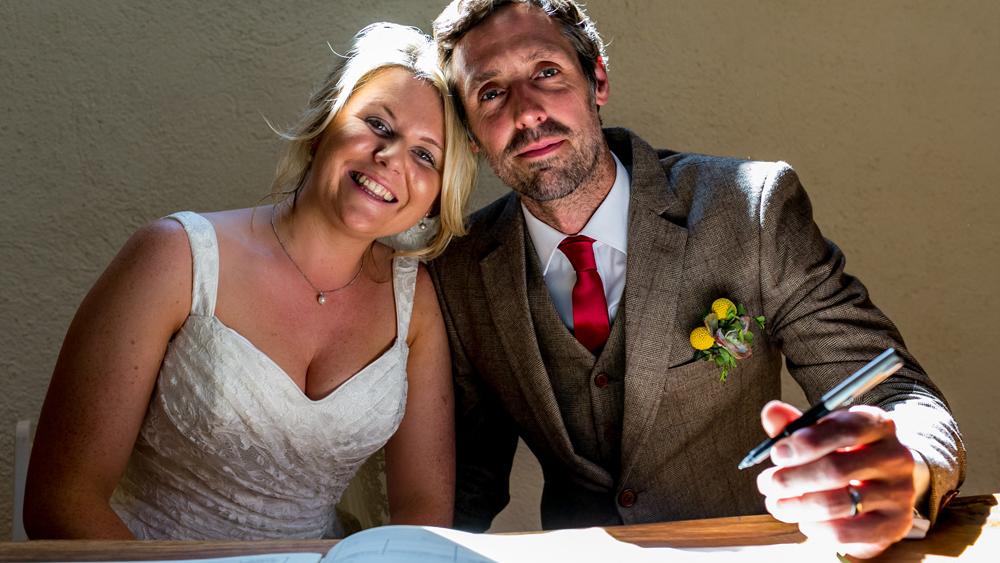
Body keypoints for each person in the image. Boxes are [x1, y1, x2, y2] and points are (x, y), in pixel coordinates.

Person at [428, 0, 965, 558]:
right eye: (491, 93)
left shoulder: (750, 210)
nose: (528, 112)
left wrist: (909, 467)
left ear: (598, 79)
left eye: (547, 72)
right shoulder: (461, 269)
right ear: (470, 131)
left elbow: (900, 396)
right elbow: (464, 488)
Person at [24, 22, 477, 540]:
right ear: (326, 120)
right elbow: (60, 501)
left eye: (425, 155)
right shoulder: (175, 257)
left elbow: (423, 514)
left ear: (439, 194)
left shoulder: (413, 301)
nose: (391, 158)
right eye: (378, 123)